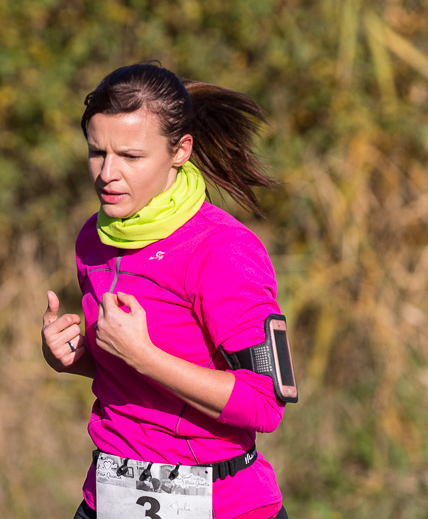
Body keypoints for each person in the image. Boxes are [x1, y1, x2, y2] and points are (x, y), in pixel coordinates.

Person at [42, 63, 291, 519]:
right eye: (97, 152)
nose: (108, 173)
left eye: (131, 156)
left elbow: (264, 404)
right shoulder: (94, 239)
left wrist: (145, 356)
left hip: (222, 504)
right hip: (110, 500)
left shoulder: (223, 250)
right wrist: (77, 358)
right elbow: (134, 376)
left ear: (180, 151)